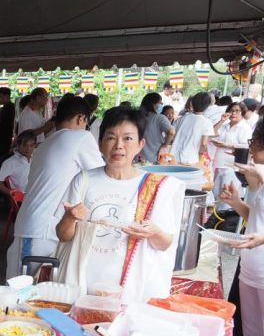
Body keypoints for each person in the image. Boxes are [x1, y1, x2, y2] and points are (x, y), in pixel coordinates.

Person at [56, 106, 185, 303]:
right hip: (82, 284)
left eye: (127, 138)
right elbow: (63, 236)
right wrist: (70, 217)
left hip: (129, 289)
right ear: (100, 144)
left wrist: (154, 232)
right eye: (110, 137)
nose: (118, 145)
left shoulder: (155, 186)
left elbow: (165, 243)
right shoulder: (84, 180)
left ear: (141, 144)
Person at [7, 96, 104, 278]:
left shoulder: (47, 142)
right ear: (81, 118)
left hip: (42, 227)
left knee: (34, 292)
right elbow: (102, 174)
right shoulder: (80, 137)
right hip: (39, 229)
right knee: (20, 291)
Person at [220, 121, 264, 336]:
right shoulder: (258, 180)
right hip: (251, 269)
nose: (252, 149)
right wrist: (236, 202)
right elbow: (254, 217)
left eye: (255, 143)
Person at [209, 101, 253, 230]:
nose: (234, 113)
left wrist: (229, 145)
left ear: (242, 112)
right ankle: (217, 223)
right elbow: (211, 133)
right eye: (232, 110)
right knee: (217, 194)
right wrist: (222, 121)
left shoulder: (244, 127)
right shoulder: (226, 125)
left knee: (227, 197)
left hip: (232, 166)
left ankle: (223, 226)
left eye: (237, 111)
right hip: (219, 164)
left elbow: (247, 146)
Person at [171, 91, 214, 164]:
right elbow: (203, 144)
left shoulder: (182, 118)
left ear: (192, 103)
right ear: (207, 105)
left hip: (174, 156)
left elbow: (172, 134)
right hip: (190, 158)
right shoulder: (207, 122)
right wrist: (200, 154)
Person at [0, 130, 37, 194]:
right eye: (25, 145)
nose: (28, 149)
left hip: (35, 193)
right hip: (21, 198)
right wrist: (12, 194)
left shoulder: (35, 157)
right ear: (18, 145)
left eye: (31, 145)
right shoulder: (10, 162)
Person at [138, 92, 175, 163]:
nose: (161, 105)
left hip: (137, 158)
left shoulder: (137, 117)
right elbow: (171, 132)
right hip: (154, 159)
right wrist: (165, 145)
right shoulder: (159, 118)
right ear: (153, 104)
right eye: (160, 103)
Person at [0, 87, 16, 159]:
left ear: (7, 96)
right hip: (1, 138)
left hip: (4, 138)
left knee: (1, 158)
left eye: (0, 97)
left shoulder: (9, 108)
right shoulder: (4, 108)